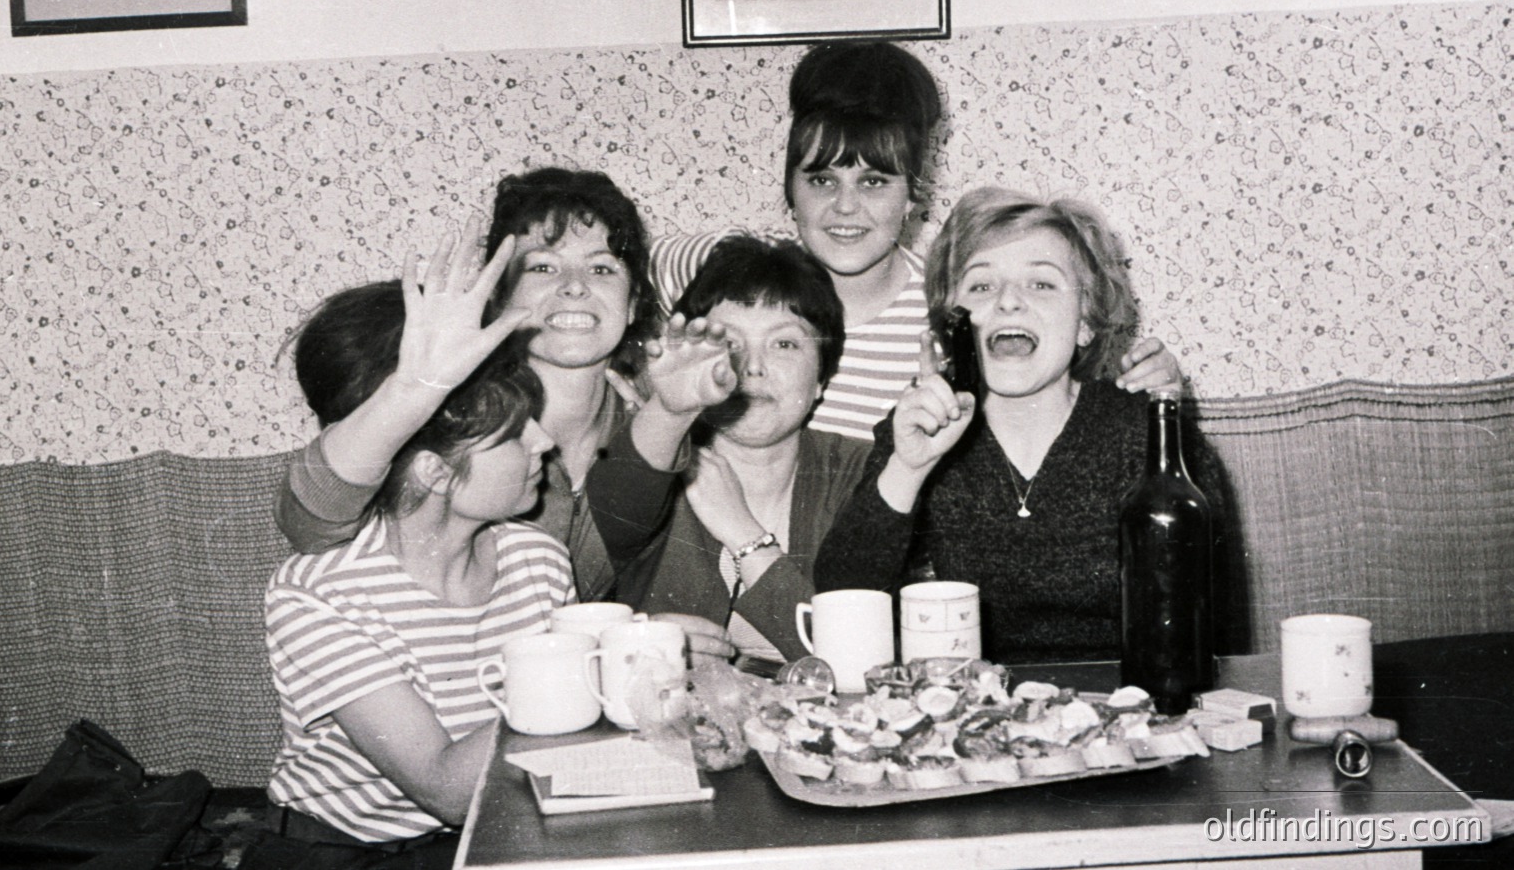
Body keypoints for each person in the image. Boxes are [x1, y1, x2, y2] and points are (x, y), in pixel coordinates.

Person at [650, 41, 1181, 444]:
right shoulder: (725, 266)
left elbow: (1049, 376)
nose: (845, 207)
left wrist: (1147, 386)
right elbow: (613, 277)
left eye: (875, 183)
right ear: (790, 189)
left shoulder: (949, 307)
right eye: (821, 180)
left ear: (914, 196)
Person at [814, 187, 1240, 664]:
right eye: (981, 286)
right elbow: (840, 603)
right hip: (970, 714)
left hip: (1130, 709)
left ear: (1086, 320)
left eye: (1041, 284)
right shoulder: (917, 430)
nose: (1009, 302)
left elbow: (1215, 631)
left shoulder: (1151, 432)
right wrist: (907, 469)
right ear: (948, 323)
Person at [266, 281, 568, 851]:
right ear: (433, 472)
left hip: (494, 836)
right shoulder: (321, 593)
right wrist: (590, 670)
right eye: (513, 433)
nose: (545, 441)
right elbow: (444, 789)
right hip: (346, 853)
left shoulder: (538, 561)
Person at [276, 168, 658, 605]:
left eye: (602, 267)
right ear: (498, 296)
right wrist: (410, 391)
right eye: (543, 266)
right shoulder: (459, 415)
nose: (574, 286)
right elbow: (308, 524)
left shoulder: (658, 404)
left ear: (633, 304)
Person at [587, 237, 869, 663]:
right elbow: (617, 494)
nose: (753, 366)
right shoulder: (655, 463)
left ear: (821, 379)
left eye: (785, 344)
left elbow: (859, 658)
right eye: (731, 344)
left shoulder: (862, 470)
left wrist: (745, 537)